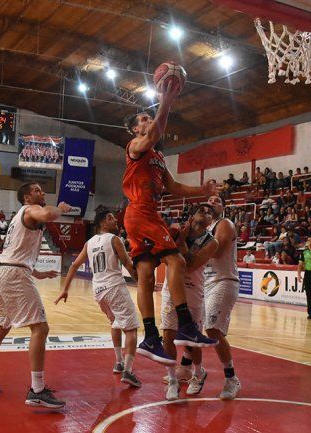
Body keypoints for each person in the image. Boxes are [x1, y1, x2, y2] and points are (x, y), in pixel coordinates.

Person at [121, 79, 217, 365]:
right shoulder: (136, 146)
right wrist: (166, 101)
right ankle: (186, 325)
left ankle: (150, 337)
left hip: (142, 215)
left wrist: (201, 191)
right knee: (176, 262)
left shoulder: (158, 157)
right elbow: (152, 135)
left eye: (149, 117)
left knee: (147, 275)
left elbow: (173, 187)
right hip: (141, 212)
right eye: (143, 119)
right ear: (133, 130)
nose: (147, 121)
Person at [0, 182, 71, 408]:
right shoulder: (30, 209)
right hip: (13, 272)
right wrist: (61, 208)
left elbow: (17, 250)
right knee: (40, 328)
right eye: (37, 190)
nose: (42, 193)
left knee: (3, 326)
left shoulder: (18, 218)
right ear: (26, 198)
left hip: (2, 269)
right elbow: (48, 214)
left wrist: (37, 272)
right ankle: (37, 389)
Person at [55, 208, 141, 388]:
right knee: (132, 328)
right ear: (102, 223)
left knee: (115, 323)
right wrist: (142, 281)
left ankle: (118, 361)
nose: (115, 221)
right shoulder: (114, 239)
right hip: (114, 287)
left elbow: (73, 266)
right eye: (111, 218)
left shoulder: (89, 242)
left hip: (98, 290)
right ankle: (128, 370)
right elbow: (127, 263)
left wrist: (65, 289)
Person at [160, 204, 218, 401]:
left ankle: (198, 373)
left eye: (210, 212)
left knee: (191, 340)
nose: (206, 213)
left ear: (211, 221)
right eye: (202, 209)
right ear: (192, 215)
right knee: (168, 336)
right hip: (171, 288)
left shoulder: (212, 243)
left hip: (193, 291)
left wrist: (181, 240)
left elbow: (190, 264)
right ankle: (172, 380)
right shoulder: (175, 229)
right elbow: (163, 257)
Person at [196, 195, 242, 400]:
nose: (212, 201)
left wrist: (190, 246)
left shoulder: (225, 224)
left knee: (213, 330)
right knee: (194, 327)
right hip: (206, 282)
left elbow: (217, 251)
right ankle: (190, 370)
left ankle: (232, 379)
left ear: (222, 207)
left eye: (217, 200)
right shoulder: (204, 229)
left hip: (224, 281)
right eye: (209, 199)